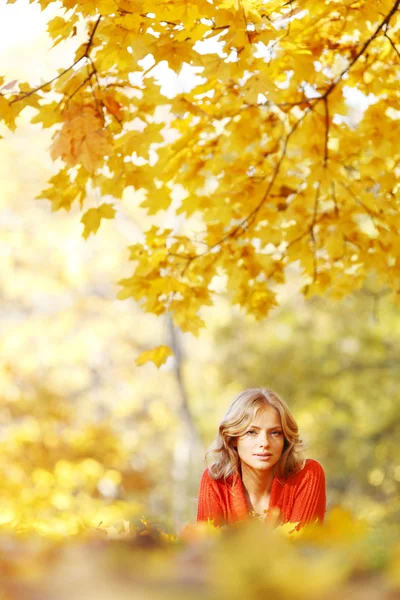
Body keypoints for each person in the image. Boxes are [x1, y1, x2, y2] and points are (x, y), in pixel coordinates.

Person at [196, 388, 326, 530]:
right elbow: (204, 548)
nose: (264, 443)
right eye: (252, 432)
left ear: (285, 439)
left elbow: (301, 547)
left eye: (275, 433)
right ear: (233, 438)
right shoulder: (215, 482)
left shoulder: (307, 475)